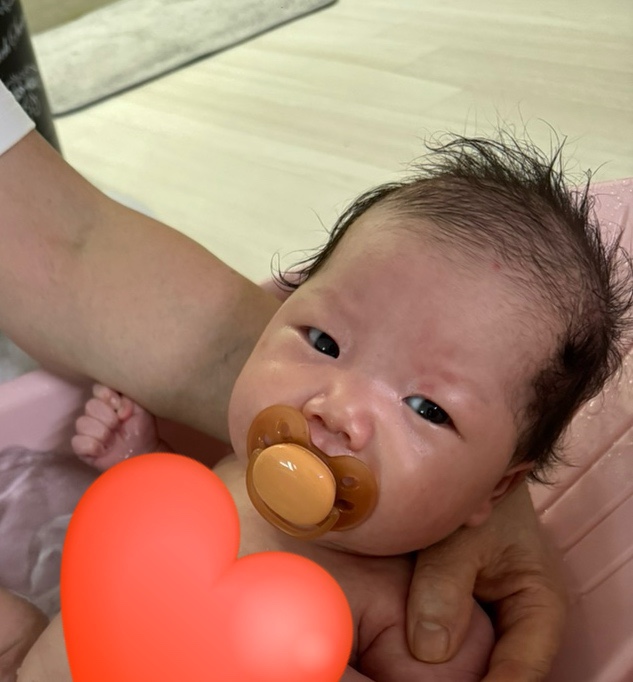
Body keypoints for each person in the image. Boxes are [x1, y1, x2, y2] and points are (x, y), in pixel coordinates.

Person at [0, 77, 573, 680]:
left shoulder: (410, 614)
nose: (336, 408)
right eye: (324, 343)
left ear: (495, 489)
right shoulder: (236, 471)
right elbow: (157, 547)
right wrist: (140, 460)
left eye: (427, 408)